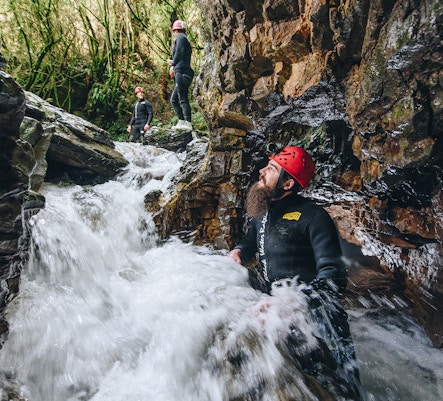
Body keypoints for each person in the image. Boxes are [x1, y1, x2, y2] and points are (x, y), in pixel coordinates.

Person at [227, 146, 365, 400]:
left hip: (319, 324)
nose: (262, 171)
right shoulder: (262, 214)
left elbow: (333, 275)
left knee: (344, 392)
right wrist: (238, 252)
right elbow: (249, 242)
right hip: (277, 317)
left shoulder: (314, 217)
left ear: (288, 183)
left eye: (271, 169)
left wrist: (293, 302)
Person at [167, 20, 194, 132]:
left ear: (175, 30)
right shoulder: (184, 38)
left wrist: (173, 63)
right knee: (174, 100)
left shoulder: (181, 37)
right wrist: (173, 66)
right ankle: (181, 120)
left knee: (182, 98)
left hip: (182, 72)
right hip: (182, 71)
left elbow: (179, 52)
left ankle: (188, 123)